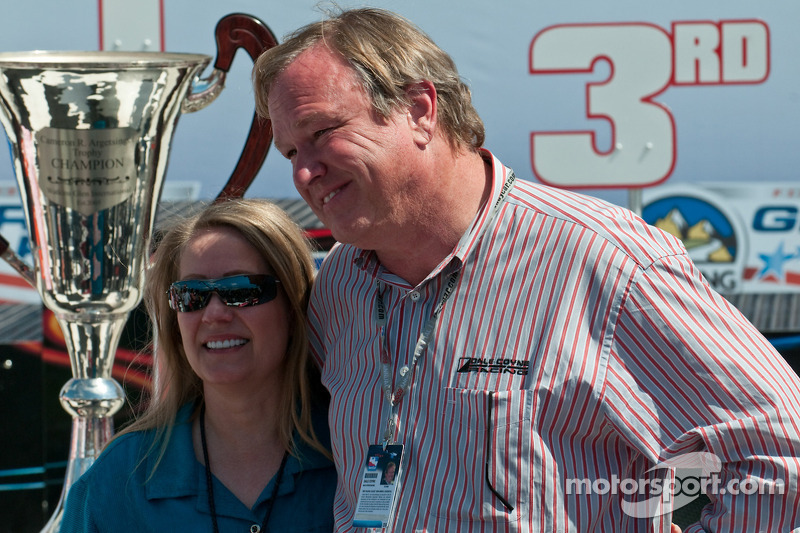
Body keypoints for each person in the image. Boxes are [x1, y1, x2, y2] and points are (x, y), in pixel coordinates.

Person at [252, 7, 800, 533]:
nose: (304, 172)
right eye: (290, 151)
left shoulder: (603, 258)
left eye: (321, 132)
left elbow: (780, 451)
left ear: (419, 108)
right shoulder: (341, 284)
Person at [61, 199, 337, 532]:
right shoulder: (119, 478)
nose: (214, 314)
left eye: (240, 290)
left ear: (293, 306)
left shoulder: (350, 452)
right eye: (191, 294)